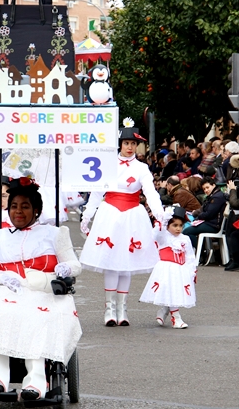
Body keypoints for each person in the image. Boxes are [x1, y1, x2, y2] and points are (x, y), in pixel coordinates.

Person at [0, 179, 81, 401]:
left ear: (36, 210)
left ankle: (36, 381)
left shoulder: (54, 234)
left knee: (37, 317)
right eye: (14, 206)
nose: (18, 211)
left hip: (43, 291)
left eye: (25, 206)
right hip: (7, 289)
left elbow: (75, 265)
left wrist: (63, 267)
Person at [80, 119, 166, 327]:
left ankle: (122, 308)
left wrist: (159, 213)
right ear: (120, 144)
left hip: (132, 215)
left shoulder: (142, 168)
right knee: (111, 262)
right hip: (110, 213)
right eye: (126, 143)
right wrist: (87, 216)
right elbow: (97, 192)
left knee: (126, 263)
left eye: (133, 144)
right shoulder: (107, 164)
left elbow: (150, 192)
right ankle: (109, 309)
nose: (130, 147)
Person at [139, 206, 196, 328]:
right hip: (166, 268)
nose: (178, 228)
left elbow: (190, 256)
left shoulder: (185, 239)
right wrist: (164, 220)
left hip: (180, 269)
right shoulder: (163, 237)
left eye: (180, 225)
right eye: (174, 225)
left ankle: (164, 310)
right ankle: (176, 318)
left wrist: (192, 271)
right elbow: (155, 234)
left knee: (175, 292)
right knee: (171, 290)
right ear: (168, 225)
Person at [184, 177, 228, 249]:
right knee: (187, 231)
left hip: (213, 225)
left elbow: (208, 214)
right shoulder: (213, 196)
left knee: (186, 232)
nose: (206, 190)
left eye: (207, 187)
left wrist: (198, 217)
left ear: (213, 185)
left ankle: (200, 251)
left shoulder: (217, 197)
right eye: (204, 189)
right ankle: (202, 251)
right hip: (211, 223)